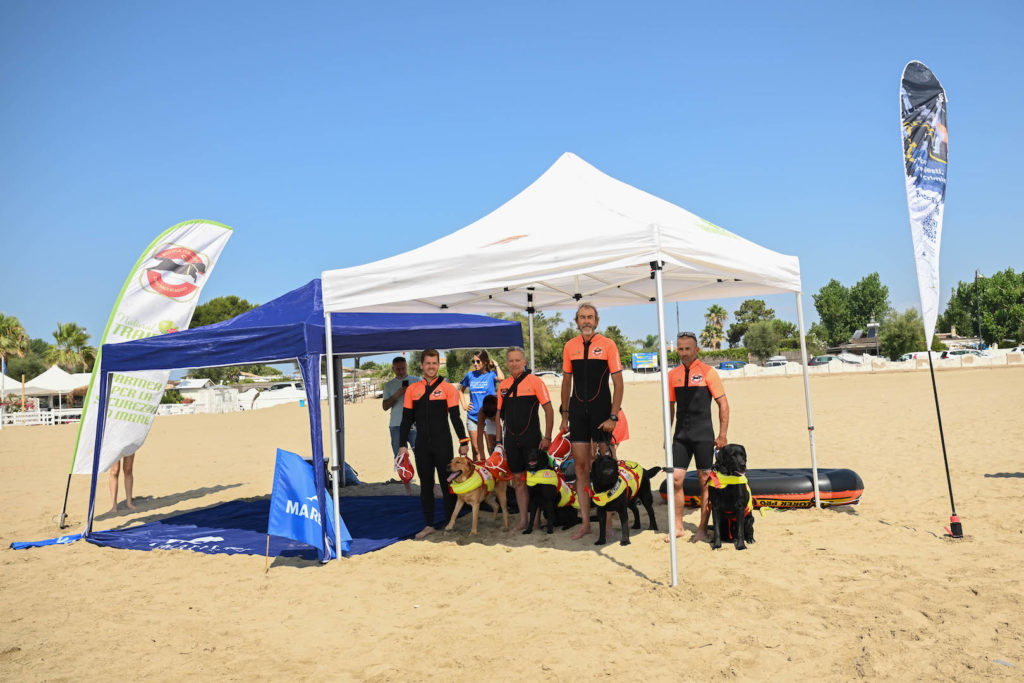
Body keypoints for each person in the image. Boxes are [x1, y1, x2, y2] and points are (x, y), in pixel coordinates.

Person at [559, 303, 624, 540]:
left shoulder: (608, 344)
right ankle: (586, 523)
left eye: (590, 317)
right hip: (577, 412)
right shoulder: (570, 346)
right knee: (580, 468)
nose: (586, 321)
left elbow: (618, 383)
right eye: (582, 317)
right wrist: (565, 415)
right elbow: (567, 382)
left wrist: (613, 416)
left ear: (596, 322)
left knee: (604, 466)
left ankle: (607, 523)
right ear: (576, 321)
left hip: (601, 413)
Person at [397, 349, 470, 539]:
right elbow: (406, 419)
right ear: (421, 365)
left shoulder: (448, 389)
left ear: (439, 365)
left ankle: (449, 523)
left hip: (442, 443)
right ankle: (429, 524)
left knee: (447, 484)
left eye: (434, 363)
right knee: (426, 485)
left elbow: (455, 417)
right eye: (428, 363)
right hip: (422, 444)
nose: (431, 366)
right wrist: (402, 444)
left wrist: (463, 441)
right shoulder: (412, 390)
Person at [666, 331, 730, 543]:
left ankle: (702, 528)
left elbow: (723, 404)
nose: (684, 353)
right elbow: (670, 407)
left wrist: (722, 434)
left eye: (688, 349)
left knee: (705, 482)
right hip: (681, 436)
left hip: (703, 435)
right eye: (680, 349)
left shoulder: (708, 372)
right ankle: (678, 527)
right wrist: (667, 433)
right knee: (675, 478)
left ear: (696, 350)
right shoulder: (672, 375)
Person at [495, 346, 554, 530]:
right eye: (511, 360)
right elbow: (498, 415)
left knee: (534, 480)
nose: (514, 364)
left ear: (524, 362)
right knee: (518, 479)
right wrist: (499, 442)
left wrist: (547, 436)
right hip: (511, 439)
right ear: (507, 363)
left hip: (532, 438)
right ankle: (523, 520)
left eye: (517, 360)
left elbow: (549, 410)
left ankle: (535, 521)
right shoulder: (503, 386)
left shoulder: (535, 382)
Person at [382, 356, 420, 492]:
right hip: (396, 425)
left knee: (421, 455)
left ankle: (429, 485)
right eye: (398, 369)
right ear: (393, 369)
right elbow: (385, 406)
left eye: (403, 368)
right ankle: (407, 487)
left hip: (415, 424)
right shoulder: (389, 385)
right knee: (400, 458)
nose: (401, 371)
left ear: (406, 366)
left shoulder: (417, 380)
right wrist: (397, 395)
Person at [459, 350, 504, 459]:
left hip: (489, 418)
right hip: (473, 417)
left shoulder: (491, 375)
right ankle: (479, 469)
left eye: (478, 361)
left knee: (491, 449)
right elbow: (460, 390)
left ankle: (493, 469)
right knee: (476, 450)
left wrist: (496, 365)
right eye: (474, 361)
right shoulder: (470, 375)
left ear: (485, 362)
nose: (475, 364)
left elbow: (502, 379)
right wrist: (464, 405)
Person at [475, 394, 499, 460]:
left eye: (493, 418)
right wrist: (482, 456)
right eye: (490, 418)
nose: (492, 420)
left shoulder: (502, 407)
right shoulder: (482, 411)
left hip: (503, 421)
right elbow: (479, 435)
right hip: (490, 426)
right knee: (491, 447)